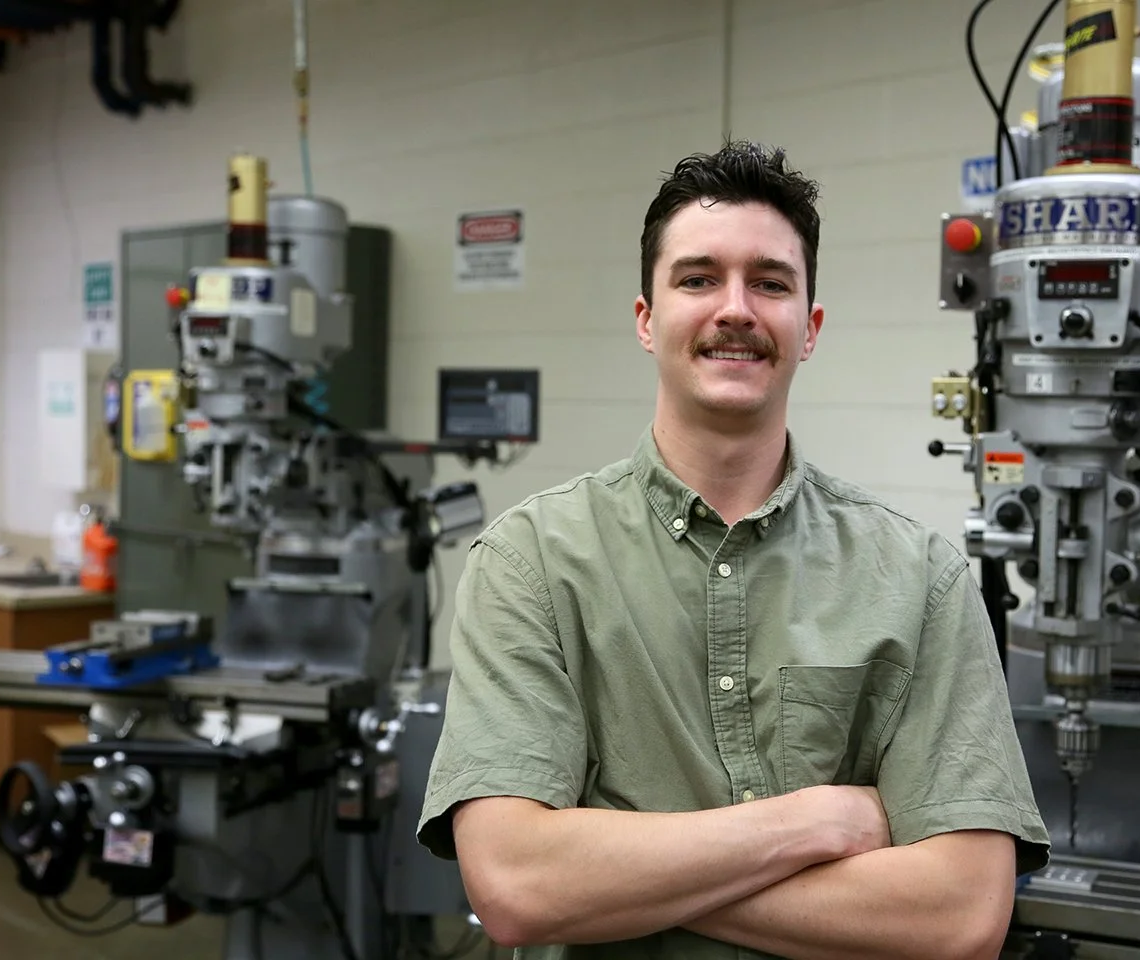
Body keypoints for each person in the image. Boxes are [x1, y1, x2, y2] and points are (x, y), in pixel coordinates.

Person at [416, 140, 1050, 959]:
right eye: (697, 279)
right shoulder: (531, 562)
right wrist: (815, 822)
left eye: (771, 283)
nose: (736, 309)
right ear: (646, 319)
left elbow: (961, 916)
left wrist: (614, 871)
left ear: (809, 329)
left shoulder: (919, 579)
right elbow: (517, 886)